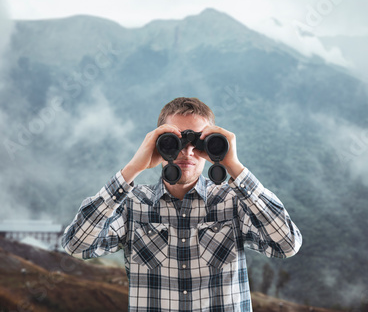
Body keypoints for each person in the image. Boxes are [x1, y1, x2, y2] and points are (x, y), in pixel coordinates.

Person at [61, 97, 302, 312]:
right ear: (157, 144)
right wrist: (132, 169)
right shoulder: (133, 205)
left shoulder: (233, 202)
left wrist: (235, 167)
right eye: (173, 142)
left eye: (198, 142)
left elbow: (287, 244)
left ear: (211, 146)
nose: (187, 151)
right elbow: (77, 245)